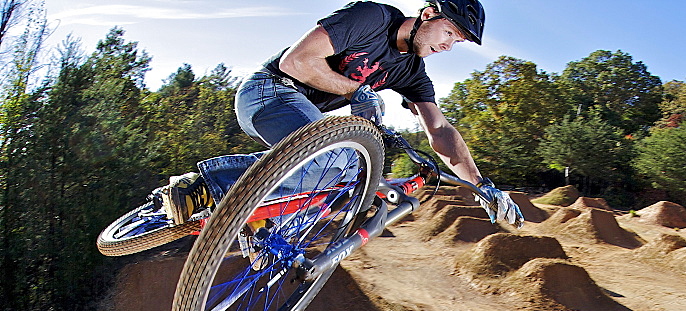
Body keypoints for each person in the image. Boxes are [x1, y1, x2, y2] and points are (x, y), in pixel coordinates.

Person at [156, 0, 522, 228]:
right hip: (269, 91)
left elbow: (440, 131)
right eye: (449, 32)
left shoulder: (412, 72)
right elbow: (295, 61)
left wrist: (482, 186)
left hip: (303, 118)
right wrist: (357, 91)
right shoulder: (371, 17)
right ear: (428, 14)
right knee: (343, 157)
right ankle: (203, 185)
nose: (448, 45)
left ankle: (262, 226)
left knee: (349, 175)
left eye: (457, 41)